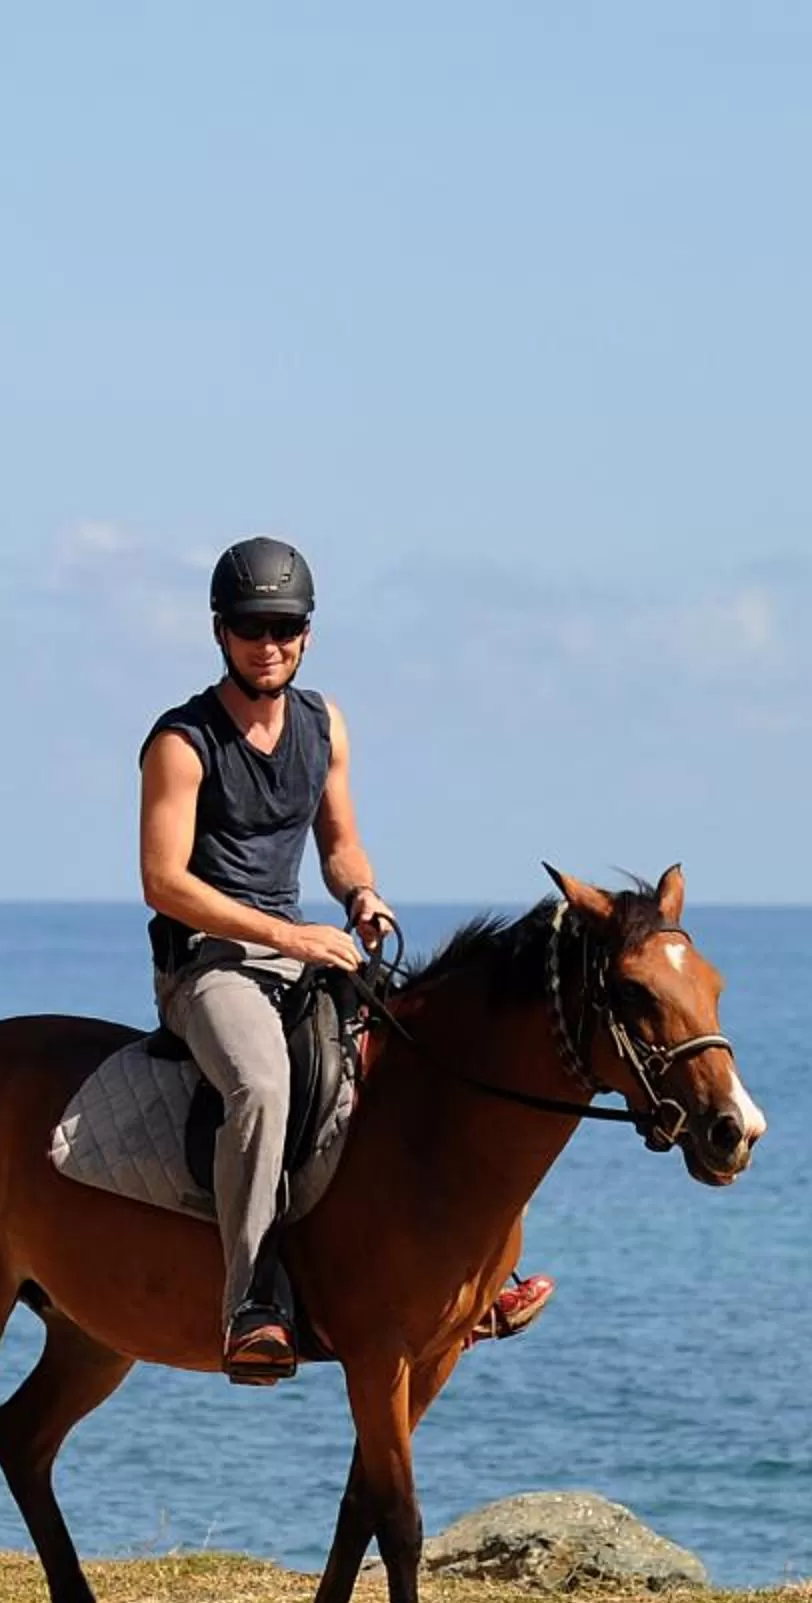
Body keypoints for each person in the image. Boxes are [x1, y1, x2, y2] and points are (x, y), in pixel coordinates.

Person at [139, 537, 553, 1383]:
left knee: (424, 1059)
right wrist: (286, 936)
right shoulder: (182, 743)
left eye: (285, 627)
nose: (270, 643)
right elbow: (162, 882)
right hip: (207, 966)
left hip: (304, 951)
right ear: (221, 632)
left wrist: (362, 895)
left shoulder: (324, 726)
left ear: (307, 634)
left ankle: (471, 1283)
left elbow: (341, 845)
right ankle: (249, 1301)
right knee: (260, 1085)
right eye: (253, 627)